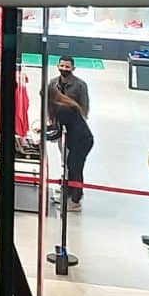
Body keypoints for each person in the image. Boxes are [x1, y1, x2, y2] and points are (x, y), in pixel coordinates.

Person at [48, 57, 95, 210]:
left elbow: (84, 109)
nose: (64, 69)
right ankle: (67, 191)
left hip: (79, 138)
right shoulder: (53, 84)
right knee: (68, 163)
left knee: (75, 167)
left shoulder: (79, 87)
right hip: (71, 135)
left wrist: (44, 136)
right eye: (61, 66)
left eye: (67, 66)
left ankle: (75, 199)